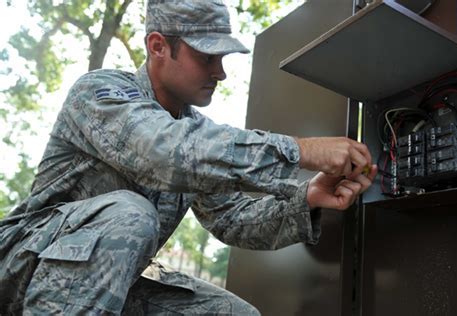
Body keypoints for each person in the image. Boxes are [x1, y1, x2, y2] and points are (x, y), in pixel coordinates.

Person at [0, 0, 377, 314]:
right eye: (207, 57)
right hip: (22, 270)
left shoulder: (195, 134)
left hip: (110, 284)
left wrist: (308, 196)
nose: (221, 72)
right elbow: (165, 153)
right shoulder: (100, 92)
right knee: (131, 213)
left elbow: (231, 219)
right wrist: (302, 150)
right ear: (158, 46)